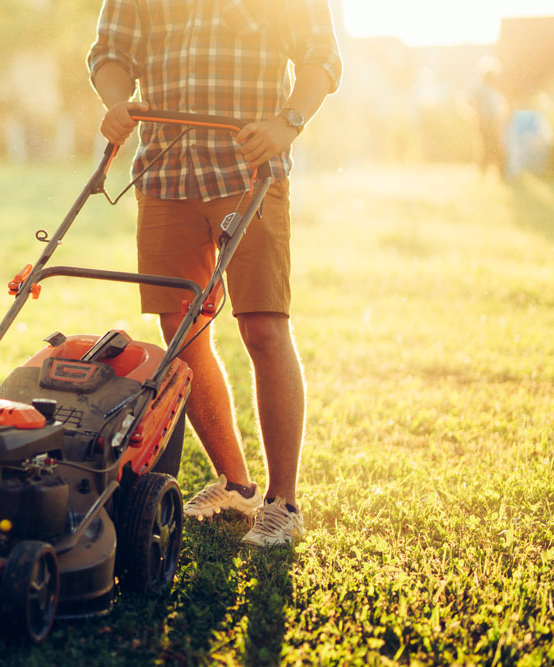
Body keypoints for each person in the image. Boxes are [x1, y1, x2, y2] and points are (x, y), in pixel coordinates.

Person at [86, 0, 341, 546]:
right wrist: (115, 103)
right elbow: (110, 51)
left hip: (246, 169)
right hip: (165, 172)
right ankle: (237, 485)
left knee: (264, 329)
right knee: (181, 335)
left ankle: (283, 503)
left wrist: (288, 122)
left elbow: (321, 55)